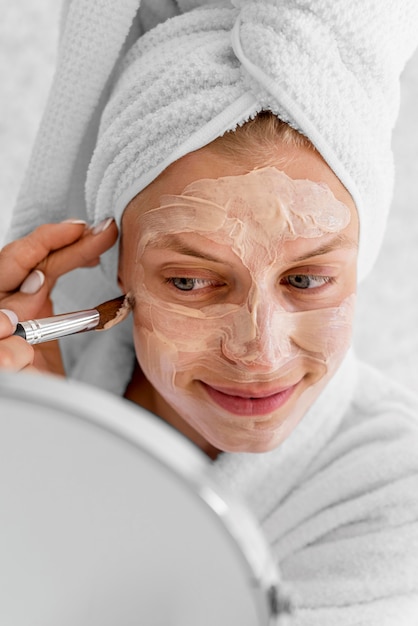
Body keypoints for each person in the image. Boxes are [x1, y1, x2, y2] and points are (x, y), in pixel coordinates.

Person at [1, 1, 418, 623]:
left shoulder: (395, 502)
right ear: (116, 266)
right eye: (192, 281)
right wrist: (35, 438)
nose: (260, 351)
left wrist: (60, 483)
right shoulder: (24, 405)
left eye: (307, 280)